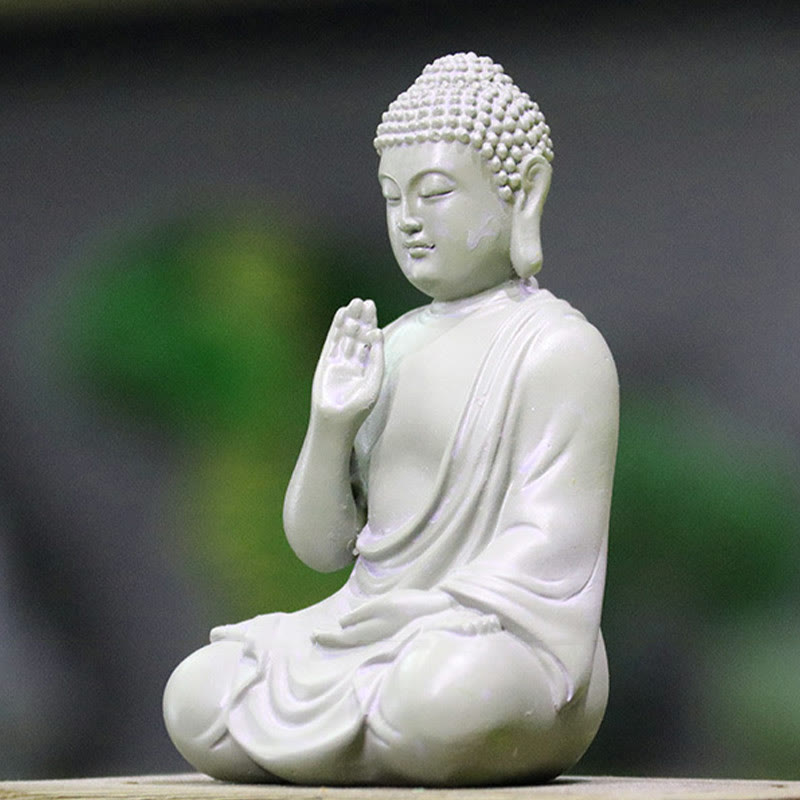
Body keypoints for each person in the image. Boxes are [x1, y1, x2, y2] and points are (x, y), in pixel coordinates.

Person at [163, 52, 618, 786]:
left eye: (435, 193)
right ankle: (375, 726)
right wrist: (330, 423)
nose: (408, 220)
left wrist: (428, 613)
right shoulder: (394, 347)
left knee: (438, 699)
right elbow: (323, 550)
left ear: (524, 191)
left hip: (502, 639)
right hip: (373, 625)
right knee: (197, 692)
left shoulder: (560, 349)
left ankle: (385, 722)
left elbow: (553, 548)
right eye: (390, 196)